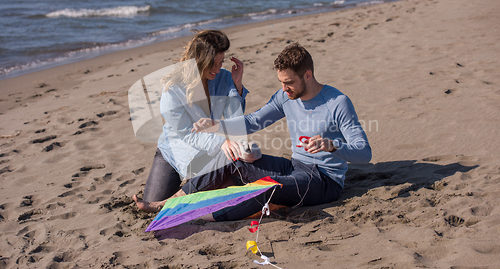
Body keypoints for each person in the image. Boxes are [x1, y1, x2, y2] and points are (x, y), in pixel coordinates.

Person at [135, 43, 371, 220]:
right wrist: (218, 126)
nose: (283, 89)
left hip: (323, 179)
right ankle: (167, 203)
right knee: (229, 158)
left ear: (307, 75)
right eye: (280, 82)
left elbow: (364, 153)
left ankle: (197, 216)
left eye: (288, 82)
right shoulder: (285, 97)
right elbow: (254, 121)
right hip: (295, 165)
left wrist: (332, 145)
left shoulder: (338, 102)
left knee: (266, 186)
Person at [135, 29, 249, 204]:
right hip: (175, 153)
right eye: (214, 63)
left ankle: (195, 184)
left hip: (211, 151)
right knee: (154, 200)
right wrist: (221, 142)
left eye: (221, 62)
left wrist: (238, 86)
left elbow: (236, 120)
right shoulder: (172, 88)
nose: (219, 69)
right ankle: (192, 183)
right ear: (200, 61)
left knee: (233, 193)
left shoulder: (224, 76)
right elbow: (188, 134)